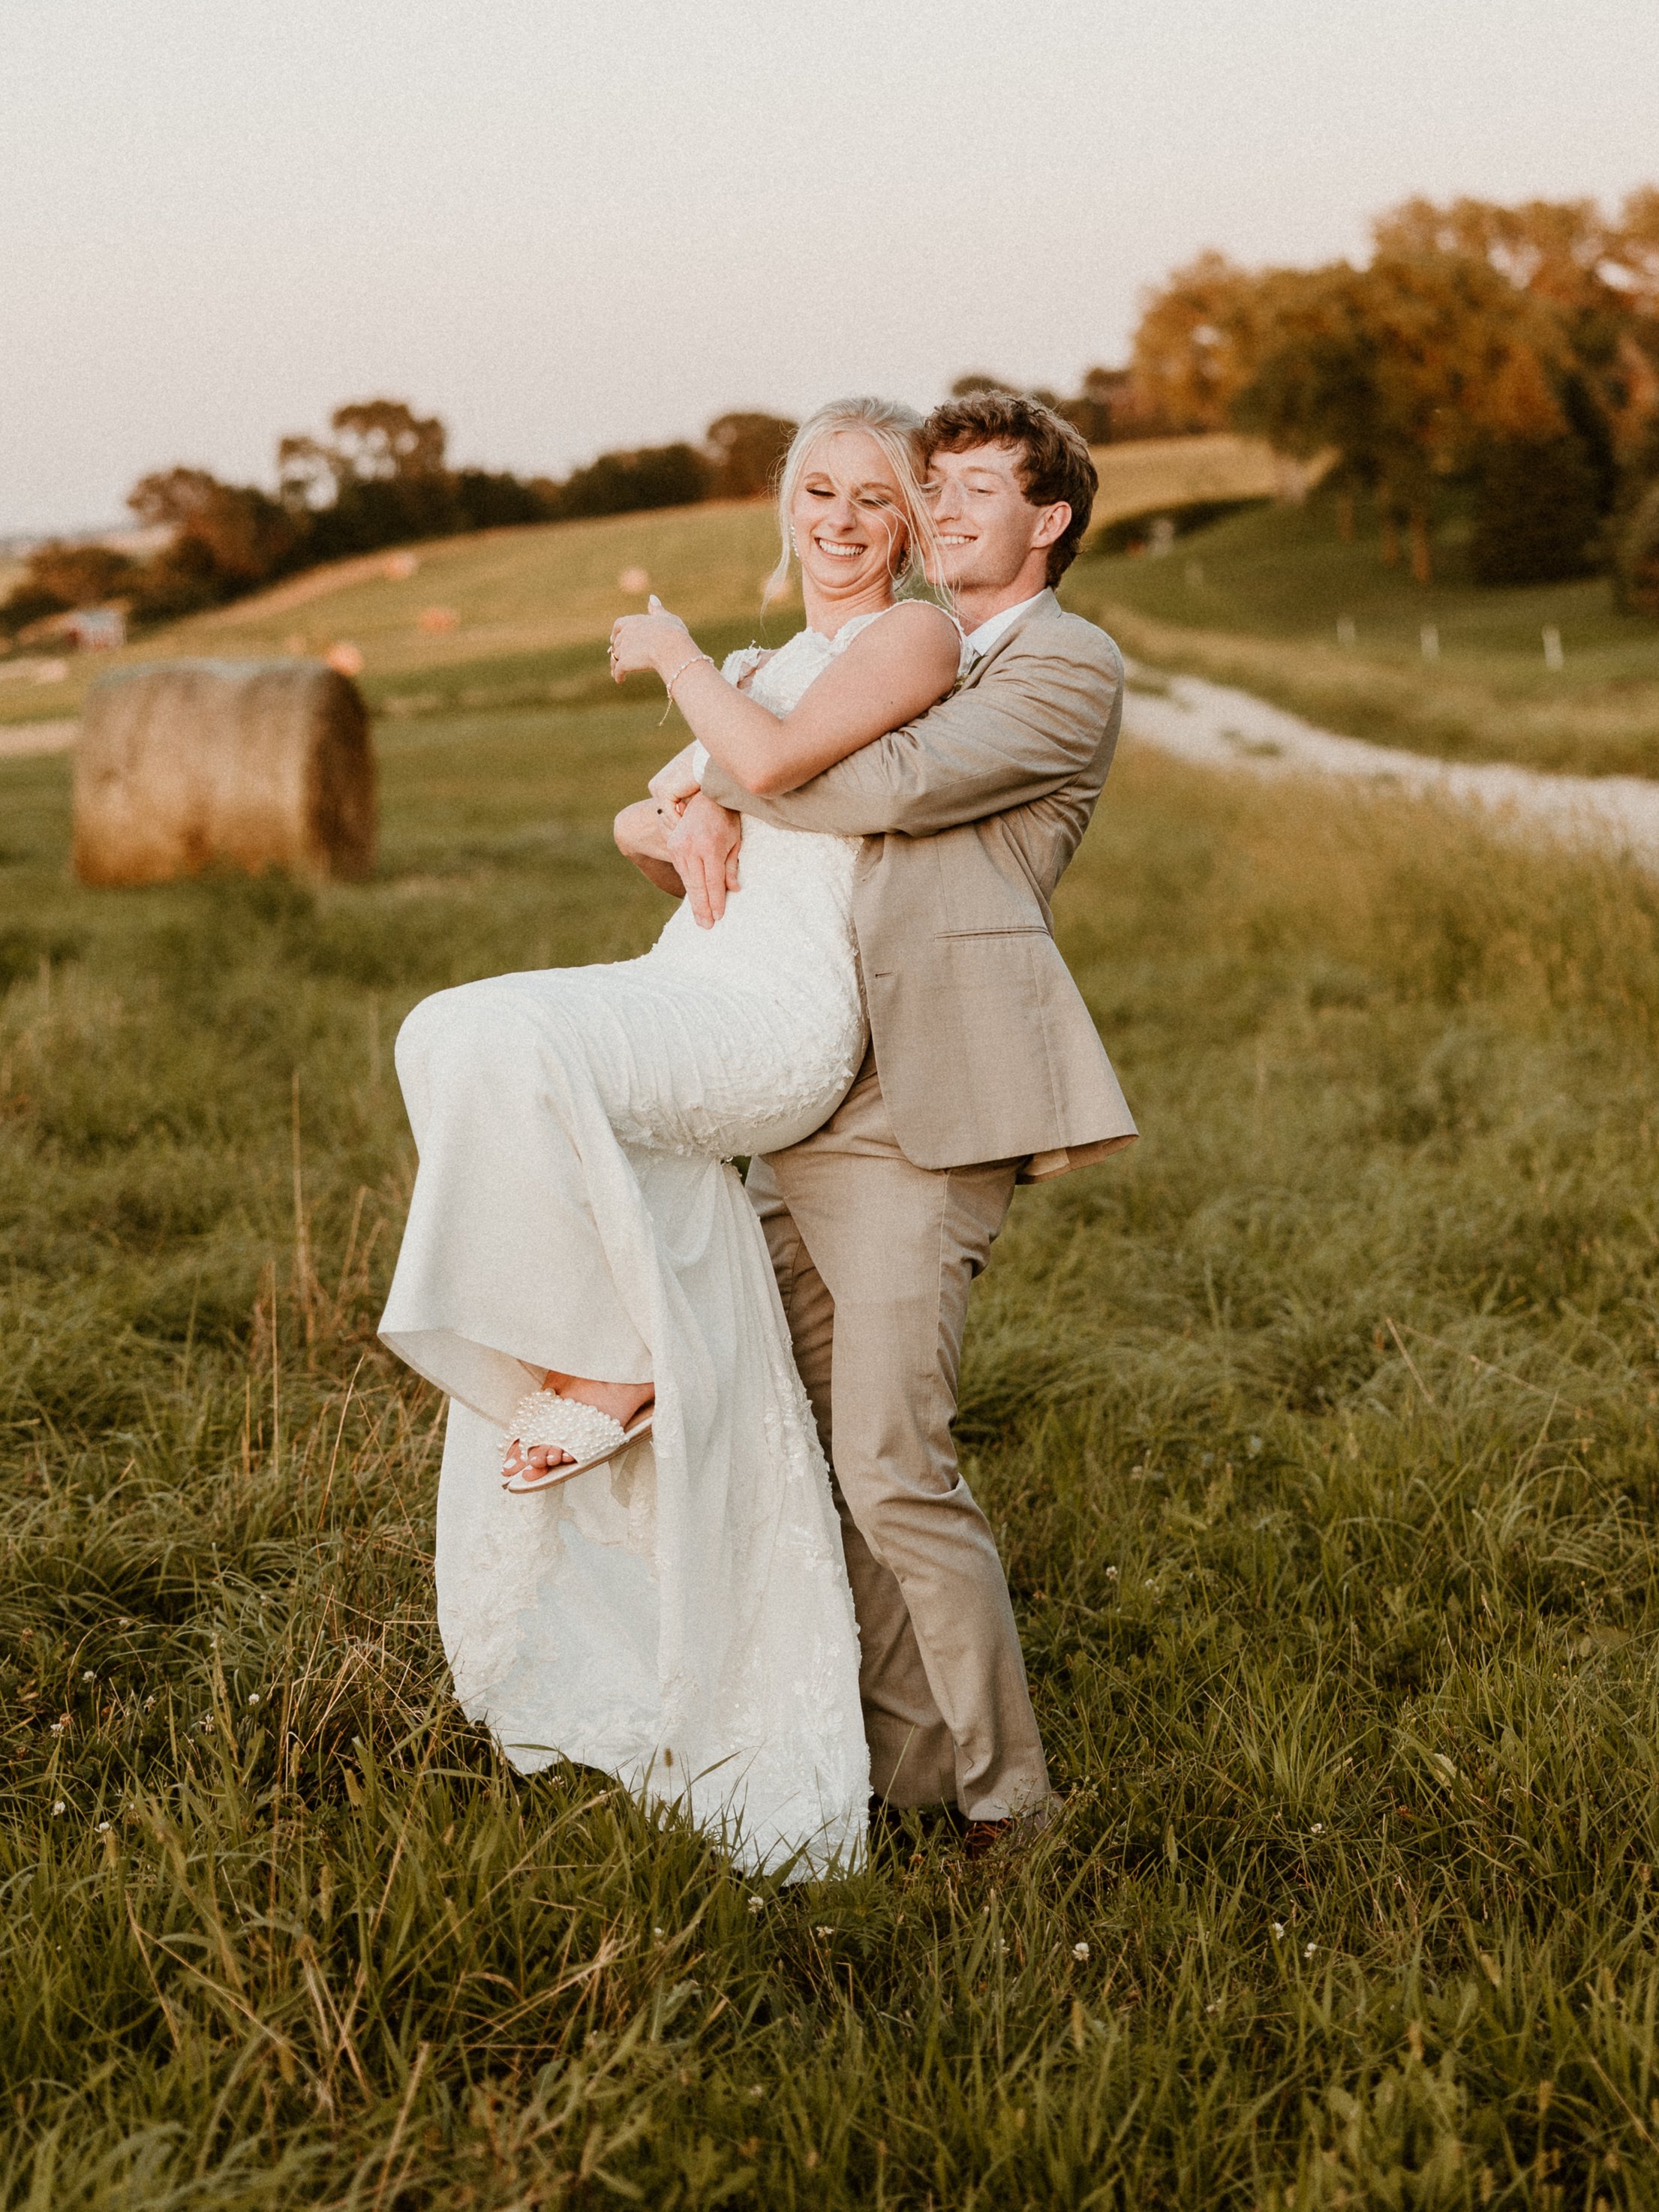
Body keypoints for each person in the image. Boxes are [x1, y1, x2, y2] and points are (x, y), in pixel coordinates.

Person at [380, 397, 977, 1877]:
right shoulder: (769, 664)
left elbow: (768, 767)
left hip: (779, 1018)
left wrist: (680, 671)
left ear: (909, 526)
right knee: (441, 1029)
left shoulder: (907, 643)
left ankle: (620, 1358)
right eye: (819, 491)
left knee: (510, 1037)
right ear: (786, 501)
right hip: (692, 977)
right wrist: (670, 828)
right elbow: (653, 816)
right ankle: (612, 1349)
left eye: (874, 500)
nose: (839, 521)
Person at [635, 392, 1136, 1854]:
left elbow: (894, 788)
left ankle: (1011, 1805)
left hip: (924, 1112)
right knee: (811, 1454)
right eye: (942, 483)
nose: (948, 505)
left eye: (982, 485)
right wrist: (704, 798)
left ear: (1045, 521)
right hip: (803, 1081)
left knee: (892, 1465)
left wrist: (725, 768)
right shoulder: (883, 652)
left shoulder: (1062, 664)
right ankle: (897, 1773)